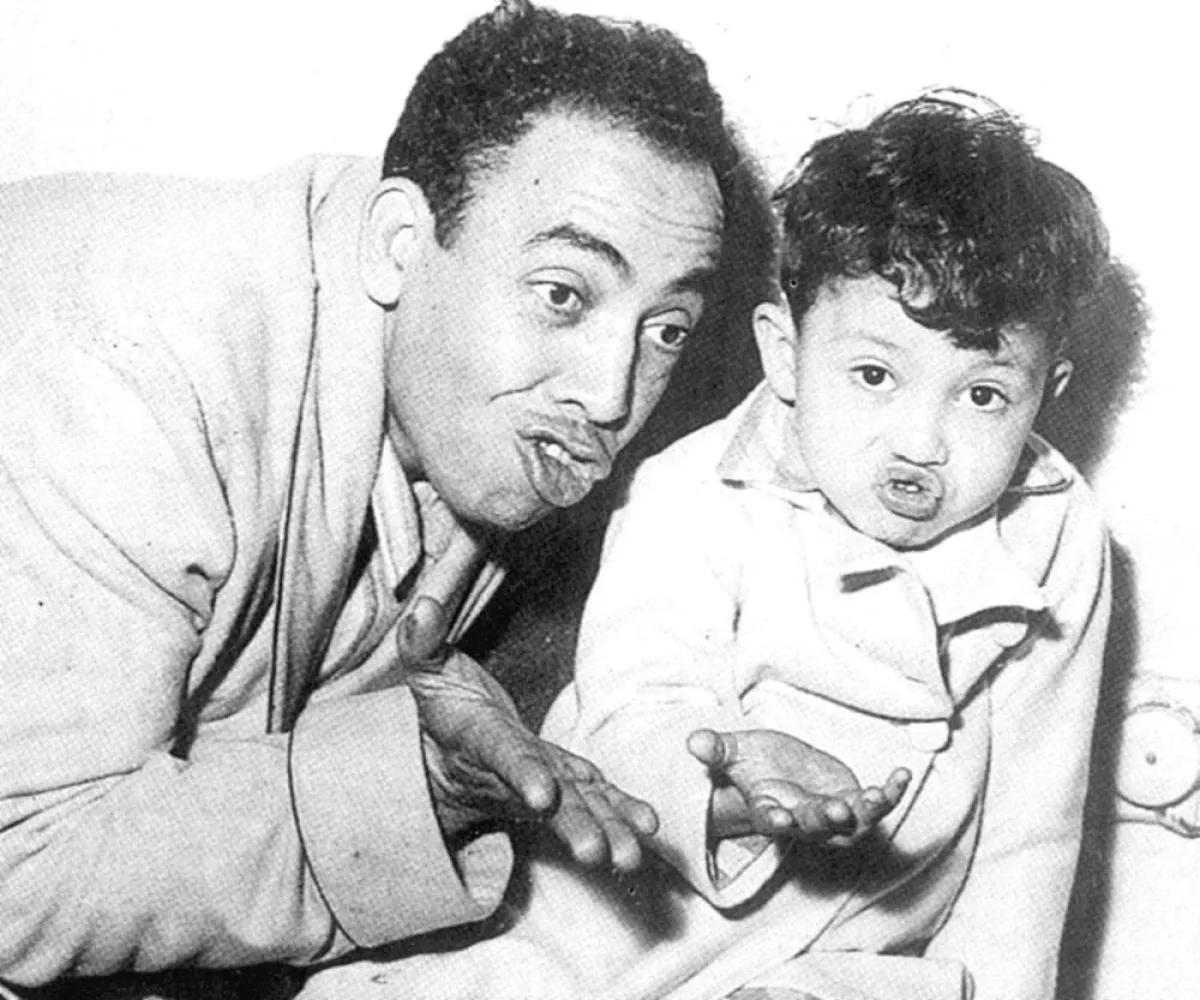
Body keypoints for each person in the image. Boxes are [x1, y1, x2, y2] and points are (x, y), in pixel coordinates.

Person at [0, 1, 788, 992]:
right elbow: (19, 874)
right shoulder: (130, 357)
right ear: (398, 242)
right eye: (564, 294)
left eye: (667, 327)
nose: (611, 395)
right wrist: (419, 787)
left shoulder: (479, 418)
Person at [306, 93, 1114, 1000]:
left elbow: (1030, 837)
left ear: (1046, 392)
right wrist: (726, 778)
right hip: (625, 910)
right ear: (784, 353)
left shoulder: (1055, 528)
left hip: (848, 952)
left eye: (984, 396)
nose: (922, 441)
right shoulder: (693, 490)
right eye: (874, 375)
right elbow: (634, 701)